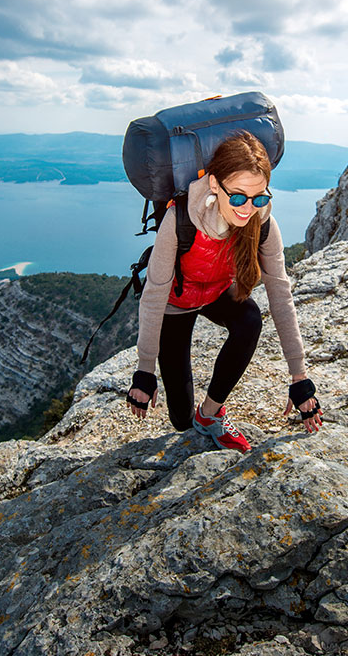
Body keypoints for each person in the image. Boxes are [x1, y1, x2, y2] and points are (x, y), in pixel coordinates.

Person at [126, 132, 321, 451]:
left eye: (259, 197)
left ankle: (211, 413)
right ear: (215, 184)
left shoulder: (264, 222)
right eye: (239, 197)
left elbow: (280, 292)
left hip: (216, 294)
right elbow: (154, 293)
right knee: (180, 420)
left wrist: (299, 376)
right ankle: (192, 417)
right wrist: (145, 369)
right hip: (176, 303)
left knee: (249, 320)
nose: (249, 209)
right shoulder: (180, 219)